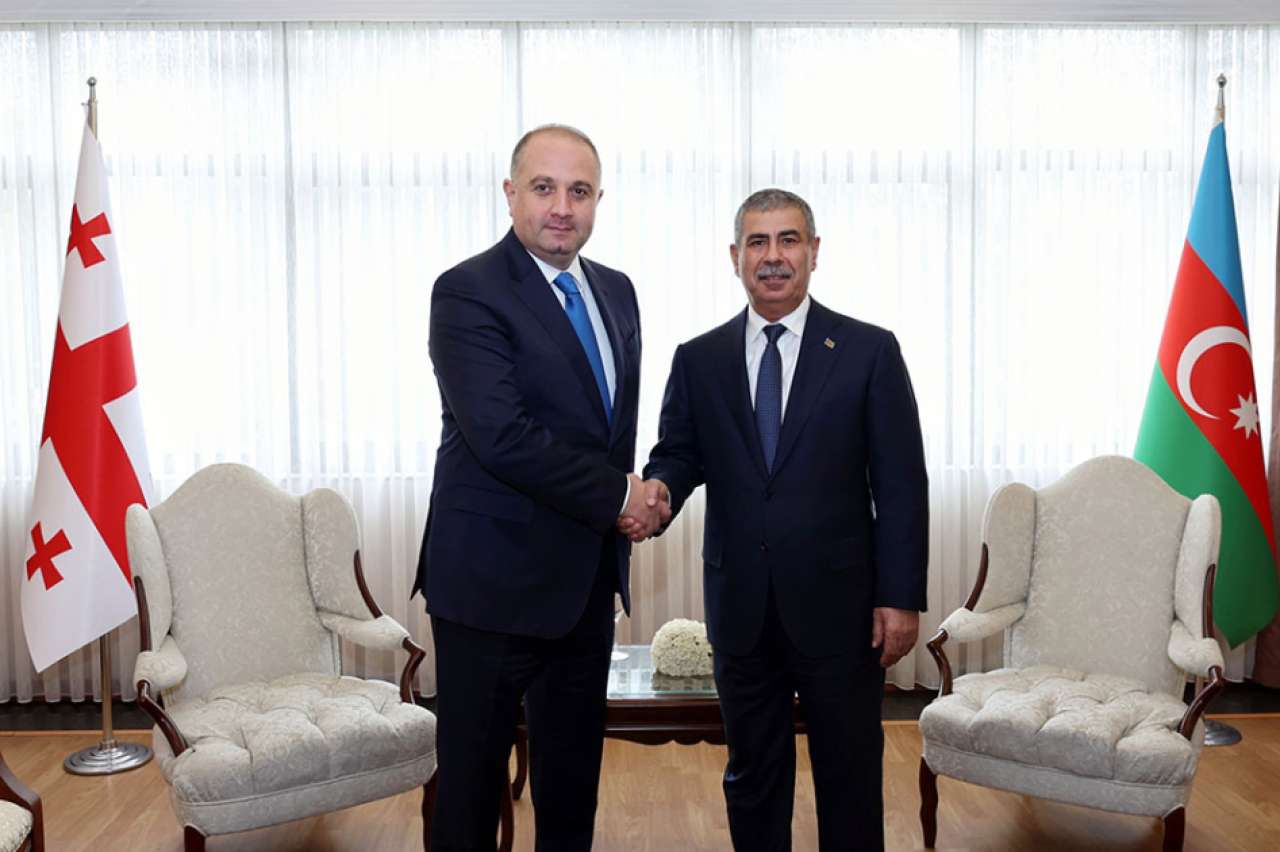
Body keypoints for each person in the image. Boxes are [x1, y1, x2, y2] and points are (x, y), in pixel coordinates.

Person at [623, 188, 928, 851]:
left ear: (813, 252)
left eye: (788, 240)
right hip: (742, 609)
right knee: (752, 777)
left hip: (842, 612)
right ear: (735, 256)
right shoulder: (699, 359)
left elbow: (902, 484)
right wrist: (660, 491)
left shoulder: (868, 351)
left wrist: (900, 597)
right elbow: (679, 453)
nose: (773, 256)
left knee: (850, 778)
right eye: (758, 242)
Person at [415, 124, 669, 852]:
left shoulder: (617, 291)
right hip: (488, 590)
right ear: (510, 193)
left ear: (598, 201)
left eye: (579, 191)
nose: (562, 207)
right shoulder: (467, 290)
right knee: (469, 797)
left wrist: (640, 495)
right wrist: (621, 497)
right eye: (544, 187)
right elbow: (502, 435)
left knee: (571, 789)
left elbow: (610, 432)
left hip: (583, 586)